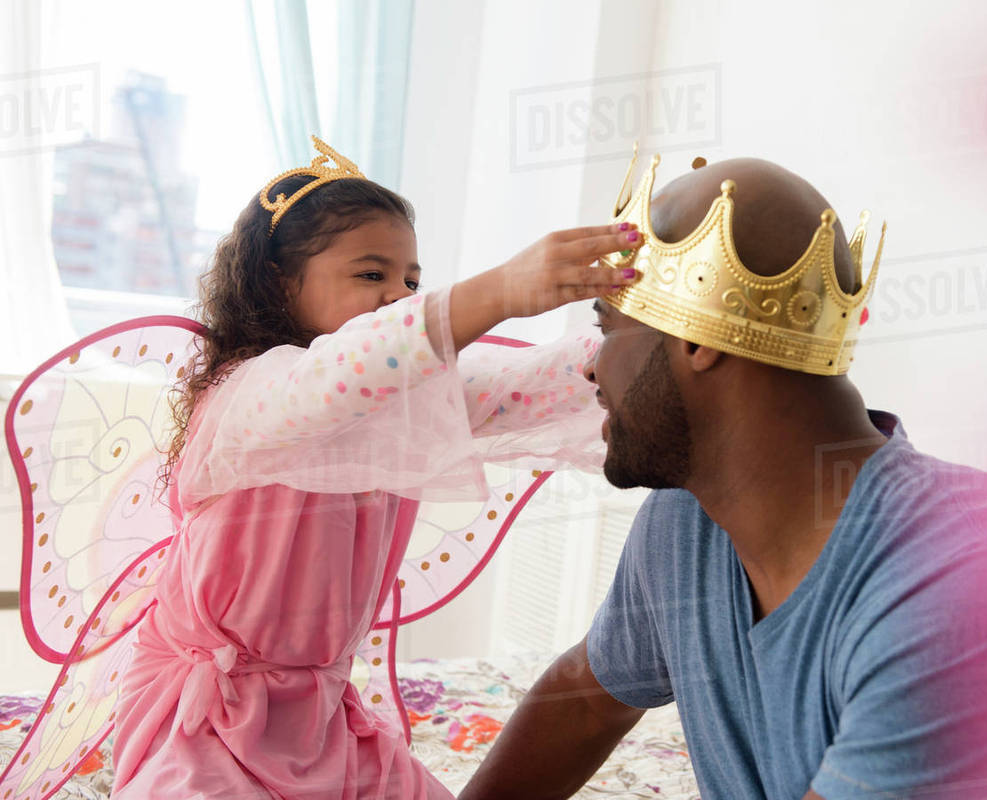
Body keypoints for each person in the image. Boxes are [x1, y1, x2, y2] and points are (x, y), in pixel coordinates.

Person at [461, 156, 987, 799]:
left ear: (697, 342)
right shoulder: (688, 519)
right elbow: (587, 700)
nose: (589, 371)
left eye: (607, 328)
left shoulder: (964, 588)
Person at [109, 137, 643, 799]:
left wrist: (631, 339)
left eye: (411, 282)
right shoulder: (250, 393)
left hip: (319, 721)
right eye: (371, 275)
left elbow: (525, 384)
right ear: (280, 280)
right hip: (203, 726)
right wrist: (503, 289)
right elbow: (341, 376)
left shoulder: (406, 394)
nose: (397, 295)